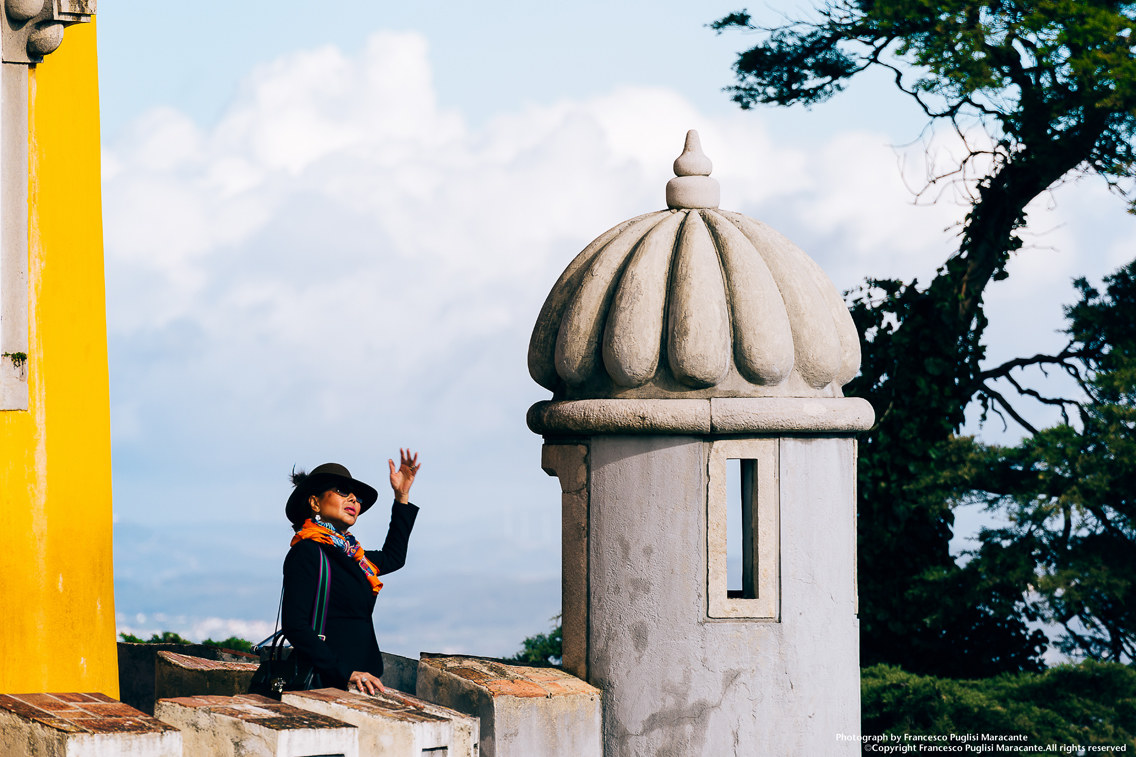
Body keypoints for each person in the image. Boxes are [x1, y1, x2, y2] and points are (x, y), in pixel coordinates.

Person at [281, 450, 420, 695]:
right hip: (325, 682)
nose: (354, 499)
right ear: (315, 502)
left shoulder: (354, 556)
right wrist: (345, 672)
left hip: (365, 682)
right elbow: (295, 625)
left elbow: (394, 557)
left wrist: (402, 497)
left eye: (356, 497)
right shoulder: (307, 552)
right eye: (342, 491)